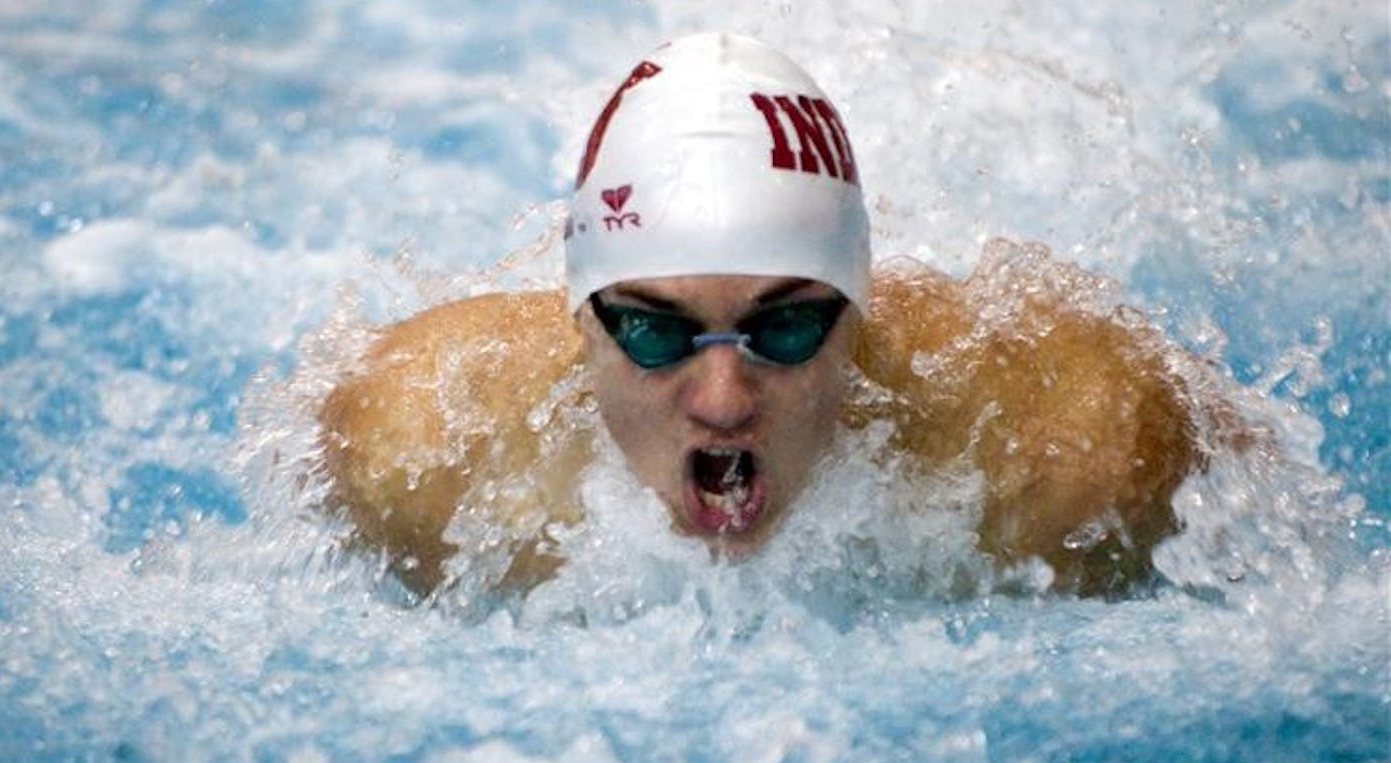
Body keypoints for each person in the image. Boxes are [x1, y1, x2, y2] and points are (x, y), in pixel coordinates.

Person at [318, 33, 1209, 599]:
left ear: (859, 317)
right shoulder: (423, 455)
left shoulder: (1072, 457)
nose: (723, 399)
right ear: (580, 322)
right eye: (653, 331)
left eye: (785, 328)